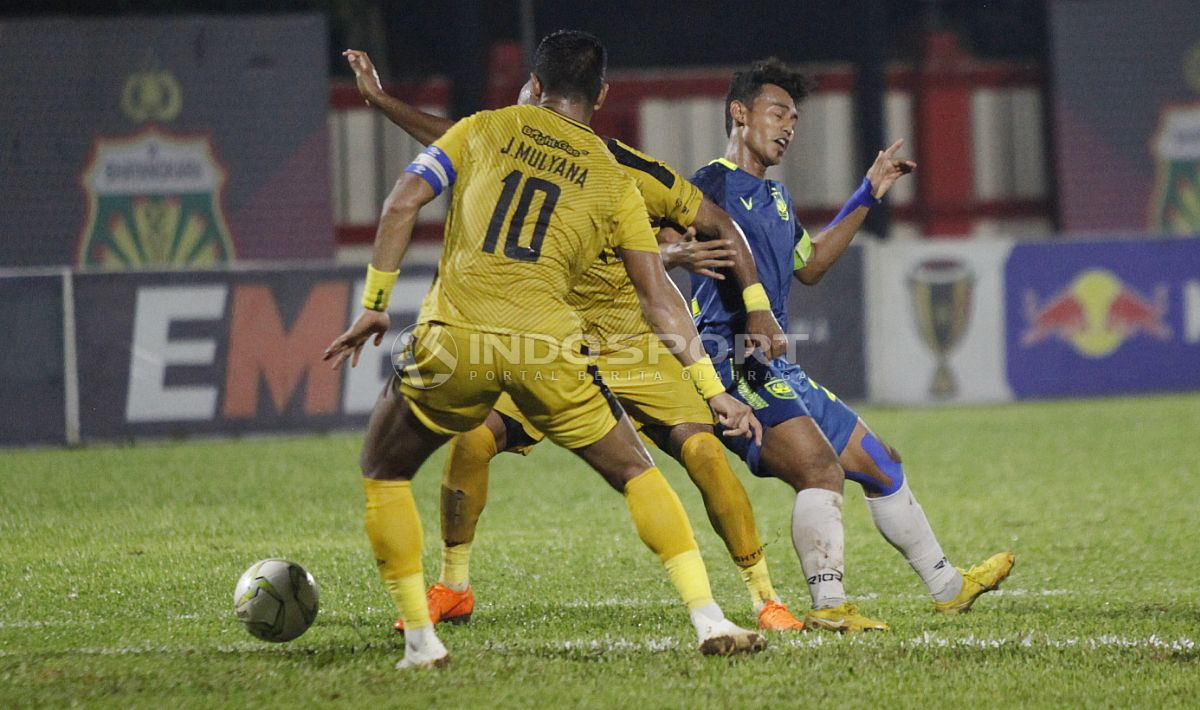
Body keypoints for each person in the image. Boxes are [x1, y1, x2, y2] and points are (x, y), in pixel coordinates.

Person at [324, 30, 768, 670]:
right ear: (602, 97)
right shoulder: (614, 179)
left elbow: (403, 201)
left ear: (534, 85)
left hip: (458, 340)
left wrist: (374, 303)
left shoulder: (484, 129)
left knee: (385, 469)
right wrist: (710, 386)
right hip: (548, 347)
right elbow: (658, 295)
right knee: (636, 470)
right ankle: (707, 615)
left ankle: (422, 640)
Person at [680, 57, 1013, 625]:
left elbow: (809, 266)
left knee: (881, 463)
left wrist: (868, 192)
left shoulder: (778, 200)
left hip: (776, 367)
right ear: (740, 113)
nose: (788, 126)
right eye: (777, 112)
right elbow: (661, 242)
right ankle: (829, 606)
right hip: (731, 360)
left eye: (795, 118)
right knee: (819, 470)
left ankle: (949, 585)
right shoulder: (708, 185)